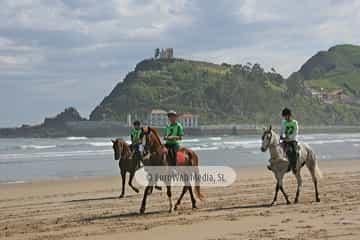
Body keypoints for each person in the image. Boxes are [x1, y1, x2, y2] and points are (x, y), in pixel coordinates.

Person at [280, 108, 299, 173]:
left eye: (286, 116)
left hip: (292, 140)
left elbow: (295, 132)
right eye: (284, 116)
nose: (285, 117)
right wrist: (281, 136)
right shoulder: (283, 122)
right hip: (285, 140)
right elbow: (282, 130)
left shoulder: (295, 122)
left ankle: (294, 167)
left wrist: (289, 138)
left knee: (294, 152)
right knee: (277, 149)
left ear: (289, 115)